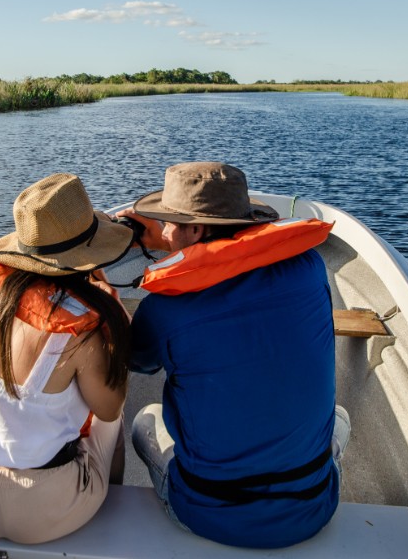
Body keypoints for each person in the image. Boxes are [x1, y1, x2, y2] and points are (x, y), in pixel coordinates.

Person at [116, 161, 350, 549]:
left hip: (205, 513)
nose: (165, 230)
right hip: (313, 508)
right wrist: (173, 244)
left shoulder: (169, 306)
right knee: (339, 417)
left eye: (169, 223)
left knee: (144, 420)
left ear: (194, 229)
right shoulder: (311, 267)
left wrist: (115, 293)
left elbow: (137, 360)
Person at [0, 173, 135, 544]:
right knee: (114, 419)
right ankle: (112, 516)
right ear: (88, 256)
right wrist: (115, 322)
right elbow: (108, 408)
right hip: (43, 509)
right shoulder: (81, 331)